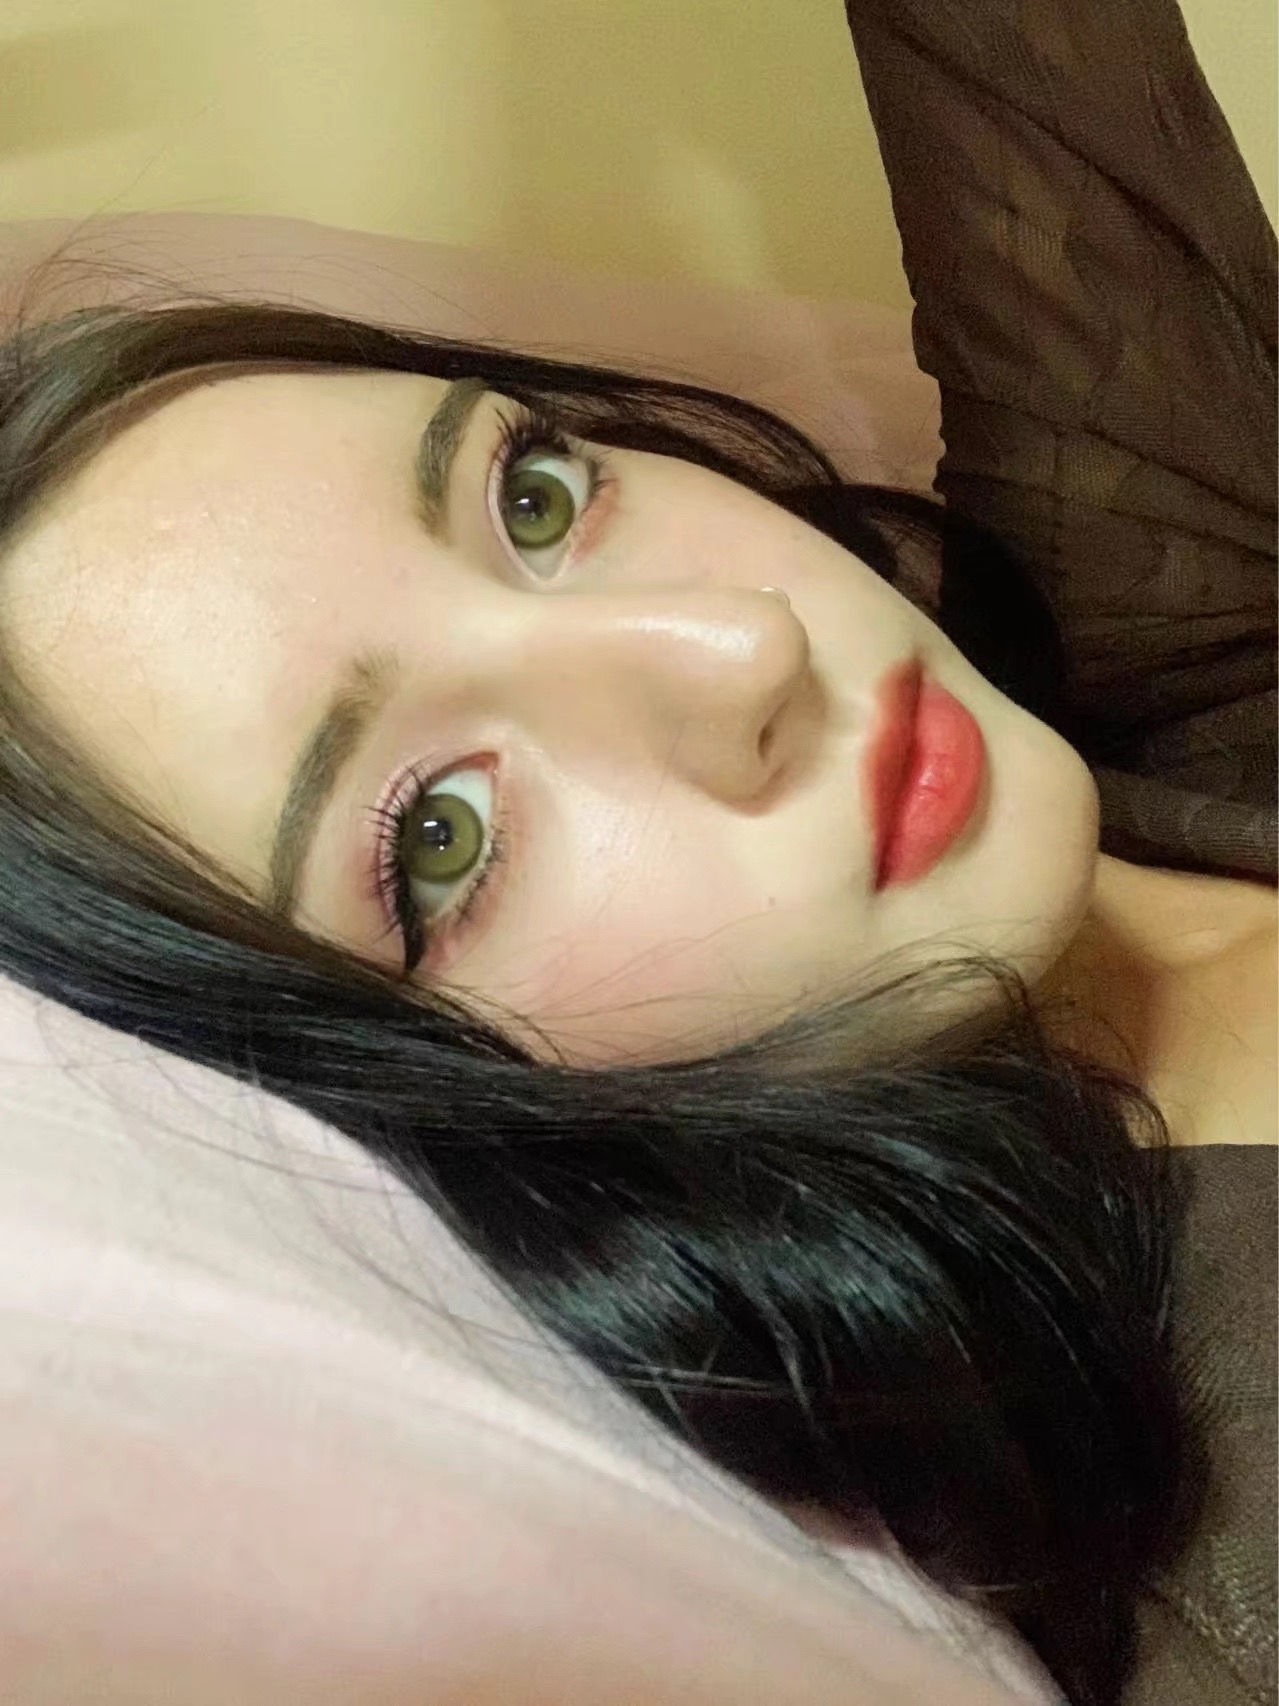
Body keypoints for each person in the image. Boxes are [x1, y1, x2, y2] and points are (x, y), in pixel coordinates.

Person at [0, 0, 1272, 1702]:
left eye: (532, 498)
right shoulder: (1190, 1504)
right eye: (442, 834)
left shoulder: (1174, 691)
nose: (742, 648)